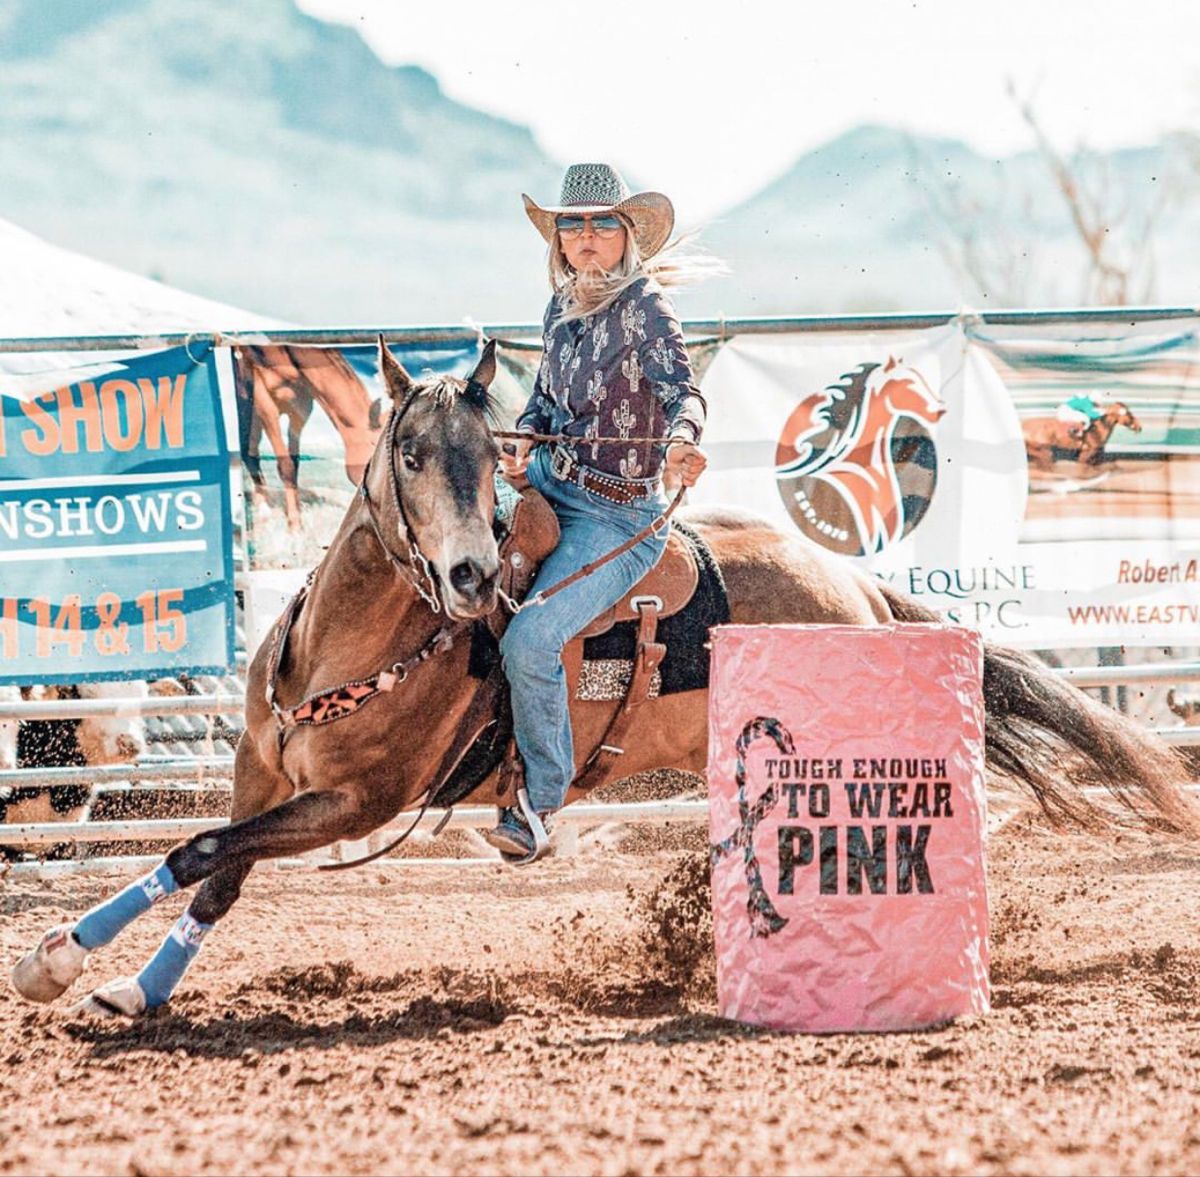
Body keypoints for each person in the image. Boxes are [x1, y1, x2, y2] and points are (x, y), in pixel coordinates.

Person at [486, 162, 712, 864]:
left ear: (624, 235)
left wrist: (682, 441)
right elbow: (545, 404)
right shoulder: (558, 309)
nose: (585, 237)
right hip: (552, 485)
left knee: (530, 640)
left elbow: (684, 391)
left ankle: (542, 799)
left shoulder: (645, 306)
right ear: (558, 239)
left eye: (599, 224)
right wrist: (523, 438)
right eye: (572, 225)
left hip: (619, 517)